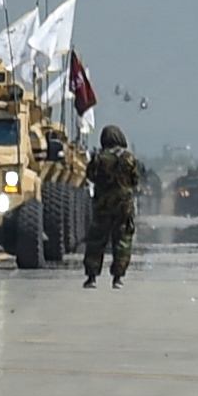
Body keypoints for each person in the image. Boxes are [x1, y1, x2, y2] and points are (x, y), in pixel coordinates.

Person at [85, 124, 141, 289]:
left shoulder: (98, 157)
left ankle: (92, 277)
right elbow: (135, 180)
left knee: (96, 240)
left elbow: (90, 176)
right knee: (122, 240)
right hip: (124, 205)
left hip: (103, 205)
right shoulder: (129, 158)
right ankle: (117, 278)